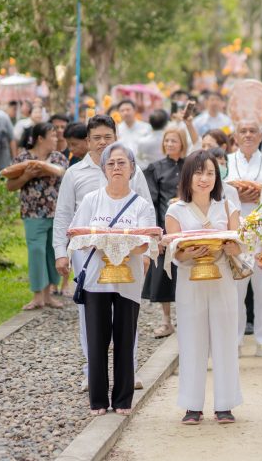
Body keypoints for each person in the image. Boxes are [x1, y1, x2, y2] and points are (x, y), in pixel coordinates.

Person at [54, 115, 151, 391]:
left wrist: (146, 253)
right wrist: (61, 252)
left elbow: (146, 208)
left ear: (116, 137)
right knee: (90, 317)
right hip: (88, 256)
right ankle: (92, 371)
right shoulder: (75, 173)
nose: (102, 143)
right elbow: (63, 216)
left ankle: (129, 370)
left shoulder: (133, 170)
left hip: (128, 255)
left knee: (128, 313)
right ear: (87, 141)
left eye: (107, 137)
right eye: (96, 138)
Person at [67, 143, 157, 415]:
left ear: (132, 168)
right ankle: (97, 400)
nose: (117, 168)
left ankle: (122, 400)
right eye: (111, 164)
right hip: (96, 278)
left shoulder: (141, 204)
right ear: (104, 169)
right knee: (97, 340)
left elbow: (149, 242)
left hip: (128, 280)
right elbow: (76, 235)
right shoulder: (92, 200)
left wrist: (123, 243)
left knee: (124, 339)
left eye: (122, 163)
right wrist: (105, 239)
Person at [166, 150, 243, 425]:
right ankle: (192, 405)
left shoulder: (227, 206)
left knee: (225, 340)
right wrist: (190, 254)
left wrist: (234, 248)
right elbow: (174, 252)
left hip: (221, 278)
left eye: (210, 172)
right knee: (191, 340)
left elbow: (239, 245)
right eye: (199, 172)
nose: (204, 178)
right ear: (188, 175)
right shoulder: (176, 209)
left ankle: (225, 404)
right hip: (190, 281)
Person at [225, 119, 262, 358]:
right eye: (243, 131)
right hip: (235, 233)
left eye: (252, 131)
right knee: (235, 289)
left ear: (261, 136)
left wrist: (259, 193)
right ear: (235, 136)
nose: (248, 135)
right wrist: (238, 194)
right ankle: (234, 341)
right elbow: (220, 194)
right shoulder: (226, 162)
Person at [6, 123, 68, 309]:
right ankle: (37, 295)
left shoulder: (58, 158)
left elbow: (64, 174)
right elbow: (10, 186)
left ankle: (48, 295)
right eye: (53, 136)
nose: (56, 139)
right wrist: (26, 176)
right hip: (32, 213)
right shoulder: (23, 158)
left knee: (52, 253)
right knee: (36, 252)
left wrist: (46, 168)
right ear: (40, 138)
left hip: (57, 213)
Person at [142, 128, 187, 338]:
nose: (170, 144)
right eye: (167, 140)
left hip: (188, 225)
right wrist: (157, 232)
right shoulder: (155, 168)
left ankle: (187, 320)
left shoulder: (190, 166)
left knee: (187, 273)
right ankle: (167, 321)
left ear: (182, 143)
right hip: (164, 225)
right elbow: (151, 200)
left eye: (174, 141)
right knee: (163, 277)